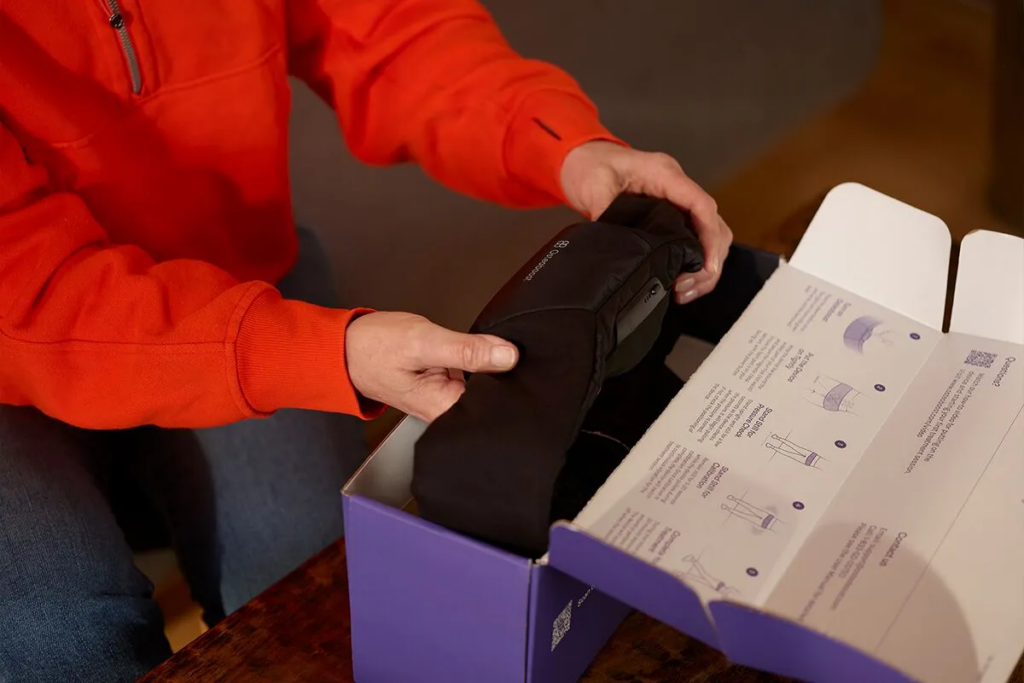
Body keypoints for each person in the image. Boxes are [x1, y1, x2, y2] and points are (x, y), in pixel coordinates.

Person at [0, 1, 733, 680]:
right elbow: (25, 289)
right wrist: (323, 355)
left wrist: (564, 145)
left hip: (227, 271)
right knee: (60, 638)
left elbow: (387, 29)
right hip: (18, 343)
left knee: (312, 589)